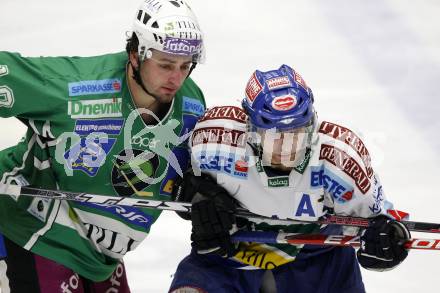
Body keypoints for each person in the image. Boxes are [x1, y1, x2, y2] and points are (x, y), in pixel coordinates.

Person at [0, 0, 206, 292]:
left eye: (186, 66)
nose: (177, 77)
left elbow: (189, 177)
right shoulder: (76, 88)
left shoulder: (192, 104)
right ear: (135, 54)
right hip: (34, 229)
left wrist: (201, 193)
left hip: (101, 254)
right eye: (165, 65)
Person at [169, 64, 411, 293]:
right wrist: (194, 193)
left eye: (298, 133)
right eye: (274, 135)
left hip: (318, 262)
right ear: (251, 130)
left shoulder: (340, 159)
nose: (288, 148)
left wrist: (386, 244)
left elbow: (383, 222)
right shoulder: (214, 141)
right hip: (228, 260)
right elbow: (176, 184)